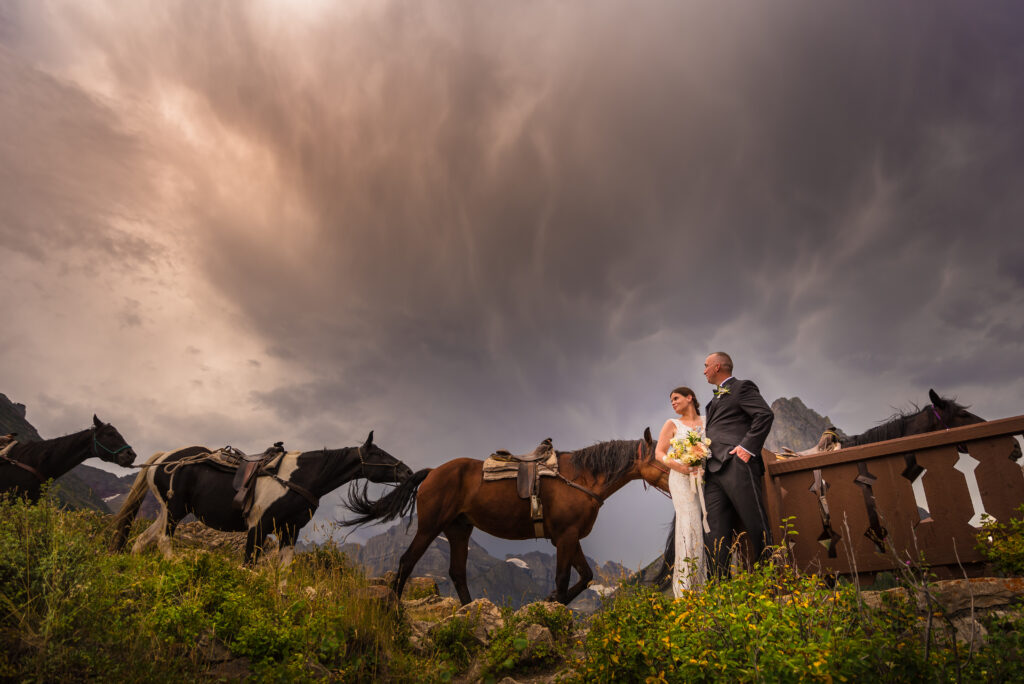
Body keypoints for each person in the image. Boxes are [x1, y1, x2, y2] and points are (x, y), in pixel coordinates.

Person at [702, 351, 774, 578]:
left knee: (755, 522)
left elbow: (764, 414)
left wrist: (746, 448)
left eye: (706, 366)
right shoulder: (712, 401)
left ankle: (769, 578)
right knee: (714, 532)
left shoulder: (743, 387)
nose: (703, 371)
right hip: (712, 472)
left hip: (736, 464)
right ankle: (719, 589)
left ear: (717, 367)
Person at [654, 386, 708, 596]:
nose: (673, 403)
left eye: (676, 398)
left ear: (689, 397)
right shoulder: (671, 424)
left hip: (706, 478)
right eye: (671, 401)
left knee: (707, 524)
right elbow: (659, 453)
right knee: (689, 523)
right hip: (682, 479)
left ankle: (705, 582)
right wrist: (680, 466)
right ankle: (687, 589)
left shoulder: (707, 420)